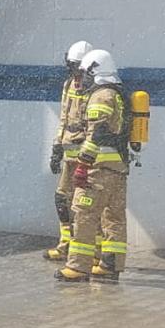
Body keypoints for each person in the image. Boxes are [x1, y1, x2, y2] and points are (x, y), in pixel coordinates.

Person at [59, 49, 132, 284]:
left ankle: (78, 268)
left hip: (98, 171)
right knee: (114, 218)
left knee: (84, 214)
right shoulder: (119, 93)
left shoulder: (101, 97)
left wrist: (82, 165)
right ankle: (110, 266)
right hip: (118, 170)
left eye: (86, 73)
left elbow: (96, 134)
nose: (84, 78)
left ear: (95, 70)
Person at [45, 40, 94, 262]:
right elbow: (64, 118)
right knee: (61, 199)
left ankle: (89, 249)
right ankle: (65, 244)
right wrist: (57, 147)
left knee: (85, 204)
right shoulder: (68, 85)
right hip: (68, 151)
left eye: (76, 67)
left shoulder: (95, 89)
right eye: (70, 66)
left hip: (86, 155)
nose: (73, 71)